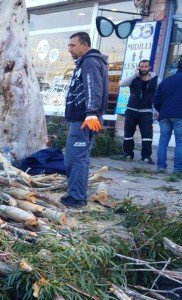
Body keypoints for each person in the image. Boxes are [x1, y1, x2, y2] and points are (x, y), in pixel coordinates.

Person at [62, 32, 109, 208]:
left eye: (72, 46)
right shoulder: (88, 61)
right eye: (69, 46)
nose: (69, 50)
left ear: (84, 45)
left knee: (75, 158)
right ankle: (77, 194)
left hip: (85, 119)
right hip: (85, 118)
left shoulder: (89, 61)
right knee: (78, 158)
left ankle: (77, 198)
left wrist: (91, 113)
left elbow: (93, 87)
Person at [119, 59, 158, 164]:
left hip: (146, 111)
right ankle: (128, 154)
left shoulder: (156, 79)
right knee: (128, 134)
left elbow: (160, 94)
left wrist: (157, 109)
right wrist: (134, 74)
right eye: (142, 66)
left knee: (147, 135)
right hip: (131, 110)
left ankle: (145, 157)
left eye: (146, 66)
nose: (144, 68)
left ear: (149, 67)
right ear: (139, 67)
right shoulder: (134, 77)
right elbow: (121, 84)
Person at [153, 58, 182, 175]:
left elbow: (156, 99)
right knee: (180, 142)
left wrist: (161, 110)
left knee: (163, 141)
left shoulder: (166, 80)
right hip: (180, 116)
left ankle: (161, 167)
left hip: (164, 116)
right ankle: (177, 169)